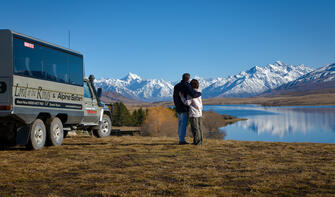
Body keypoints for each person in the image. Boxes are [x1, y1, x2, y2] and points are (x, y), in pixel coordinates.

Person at [173, 73, 201, 145]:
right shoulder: (187, 85)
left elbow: (174, 98)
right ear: (188, 79)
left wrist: (176, 105)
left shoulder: (176, 86)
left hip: (178, 108)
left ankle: (180, 138)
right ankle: (182, 140)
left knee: (180, 124)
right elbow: (193, 94)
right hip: (184, 108)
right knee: (183, 125)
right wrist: (199, 93)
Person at [179, 79, 203, 145]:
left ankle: (197, 142)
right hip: (199, 112)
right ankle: (200, 141)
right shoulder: (199, 92)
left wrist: (182, 97)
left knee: (195, 129)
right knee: (200, 128)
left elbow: (187, 103)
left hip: (193, 113)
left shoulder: (190, 94)